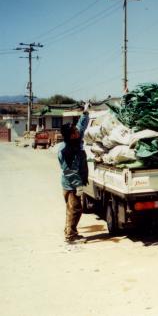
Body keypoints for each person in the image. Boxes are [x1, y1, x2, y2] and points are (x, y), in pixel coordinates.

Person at [58, 102, 90, 243]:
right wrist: (78, 185)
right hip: (70, 185)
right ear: (70, 136)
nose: (78, 132)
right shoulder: (65, 151)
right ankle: (70, 236)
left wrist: (85, 112)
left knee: (73, 209)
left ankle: (70, 231)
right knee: (75, 210)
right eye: (75, 132)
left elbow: (81, 126)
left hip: (75, 183)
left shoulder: (76, 140)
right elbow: (68, 171)